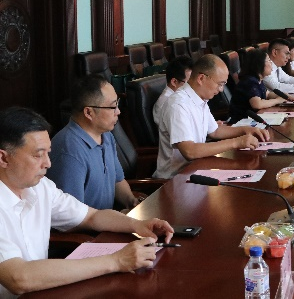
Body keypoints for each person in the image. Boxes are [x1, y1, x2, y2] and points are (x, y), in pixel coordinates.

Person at [0, 106, 174, 297]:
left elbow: (92, 216)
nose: (48, 163)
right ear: (3, 158)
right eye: (38, 155)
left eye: (48, 153)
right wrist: (116, 261)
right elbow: (18, 278)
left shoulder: (41, 187)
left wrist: (138, 225)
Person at [154, 54, 269, 179]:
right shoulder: (178, 105)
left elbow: (215, 131)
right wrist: (237, 142)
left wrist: (246, 130)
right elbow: (189, 151)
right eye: (220, 84)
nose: (221, 90)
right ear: (201, 78)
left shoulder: (199, 98)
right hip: (176, 178)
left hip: (198, 168)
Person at [47, 75, 137, 211]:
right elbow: (72, 215)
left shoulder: (106, 135)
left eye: (117, 104)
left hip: (107, 219)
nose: (118, 111)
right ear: (89, 112)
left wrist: (131, 202)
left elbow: (117, 181)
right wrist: (119, 219)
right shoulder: (69, 151)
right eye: (113, 106)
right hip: (88, 224)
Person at [229, 49, 286, 122]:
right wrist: (277, 100)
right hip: (241, 122)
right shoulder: (250, 81)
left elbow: (268, 94)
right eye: (269, 60)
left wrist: (286, 96)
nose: (271, 63)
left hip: (253, 119)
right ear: (259, 64)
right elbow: (257, 104)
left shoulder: (258, 79)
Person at [152, 55, 193, 126]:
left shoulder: (182, 95)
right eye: (189, 83)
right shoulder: (169, 104)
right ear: (174, 82)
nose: (193, 86)